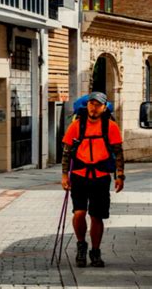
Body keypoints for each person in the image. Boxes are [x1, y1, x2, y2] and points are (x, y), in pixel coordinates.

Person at [61, 92, 125, 268]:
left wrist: (120, 176)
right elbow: (67, 152)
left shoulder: (111, 126)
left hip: (101, 177)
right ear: (87, 105)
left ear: (104, 108)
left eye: (97, 104)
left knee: (97, 216)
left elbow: (118, 152)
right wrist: (65, 175)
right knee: (79, 213)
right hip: (79, 176)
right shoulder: (76, 125)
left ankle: (95, 252)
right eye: (91, 104)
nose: (93, 107)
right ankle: (81, 245)